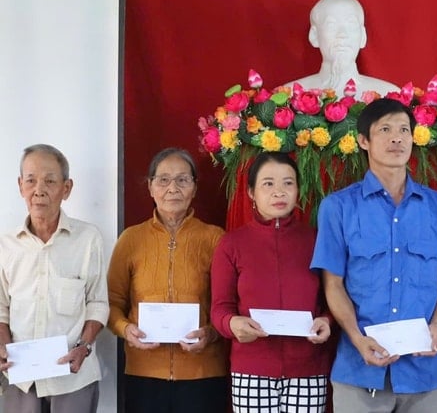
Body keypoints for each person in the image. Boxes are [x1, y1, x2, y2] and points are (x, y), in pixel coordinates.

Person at [311, 97, 437, 411]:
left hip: (426, 375)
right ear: (364, 141)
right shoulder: (338, 208)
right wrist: (355, 336)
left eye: (404, 130)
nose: (397, 138)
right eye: (385, 130)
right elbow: (333, 285)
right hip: (360, 370)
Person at [210, 152, 334, 412]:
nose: (279, 192)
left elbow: (333, 300)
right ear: (252, 192)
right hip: (251, 370)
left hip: (308, 371)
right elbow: (220, 308)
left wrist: (326, 321)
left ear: (298, 189)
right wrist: (232, 324)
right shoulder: (232, 244)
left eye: (288, 183)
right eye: (268, 183)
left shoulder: (317, 240)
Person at [107, 147, 228, 412]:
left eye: (183, 180)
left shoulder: (216, 238)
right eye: (163, 180)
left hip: (203, 374)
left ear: (194, 188)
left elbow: (228, 304)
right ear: (150, 187)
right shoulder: (131, 239)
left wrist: (209, 333)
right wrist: (126, 329)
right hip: (144, 375)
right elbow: (112, 303)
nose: (173, 188)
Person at [0, 144, 108, 412]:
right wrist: (2, 344)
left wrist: (84, 346)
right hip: (21, 377)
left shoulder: (88, 239)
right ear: (20, 185)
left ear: (67, 188)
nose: (39, 189)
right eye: (31, 180)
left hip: (73, 376)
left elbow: (98, 303)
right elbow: (1, 308)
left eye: (50, 180)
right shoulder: (6, 245)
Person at [284, 0, 402, 95]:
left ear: (363, 37)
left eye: (351, 25)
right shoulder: (288, 96)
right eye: (331, 25)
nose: (342, 34)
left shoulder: (387, 95)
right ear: (314, 36)